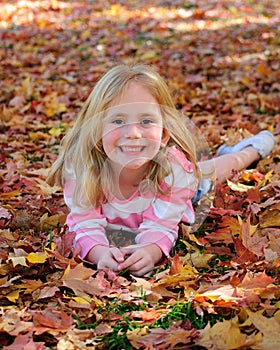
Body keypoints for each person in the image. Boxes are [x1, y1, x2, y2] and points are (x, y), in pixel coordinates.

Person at [47, 64, 276, 277]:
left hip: (175, 189)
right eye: (118, 121)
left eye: (146, 121)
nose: (134, 133)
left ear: (164, 134)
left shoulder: (174, 172)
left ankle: (251, 150)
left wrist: (150, 250)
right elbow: (83, 221)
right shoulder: (83, 167)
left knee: (208, 174)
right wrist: (99, 253)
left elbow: (162, 225)